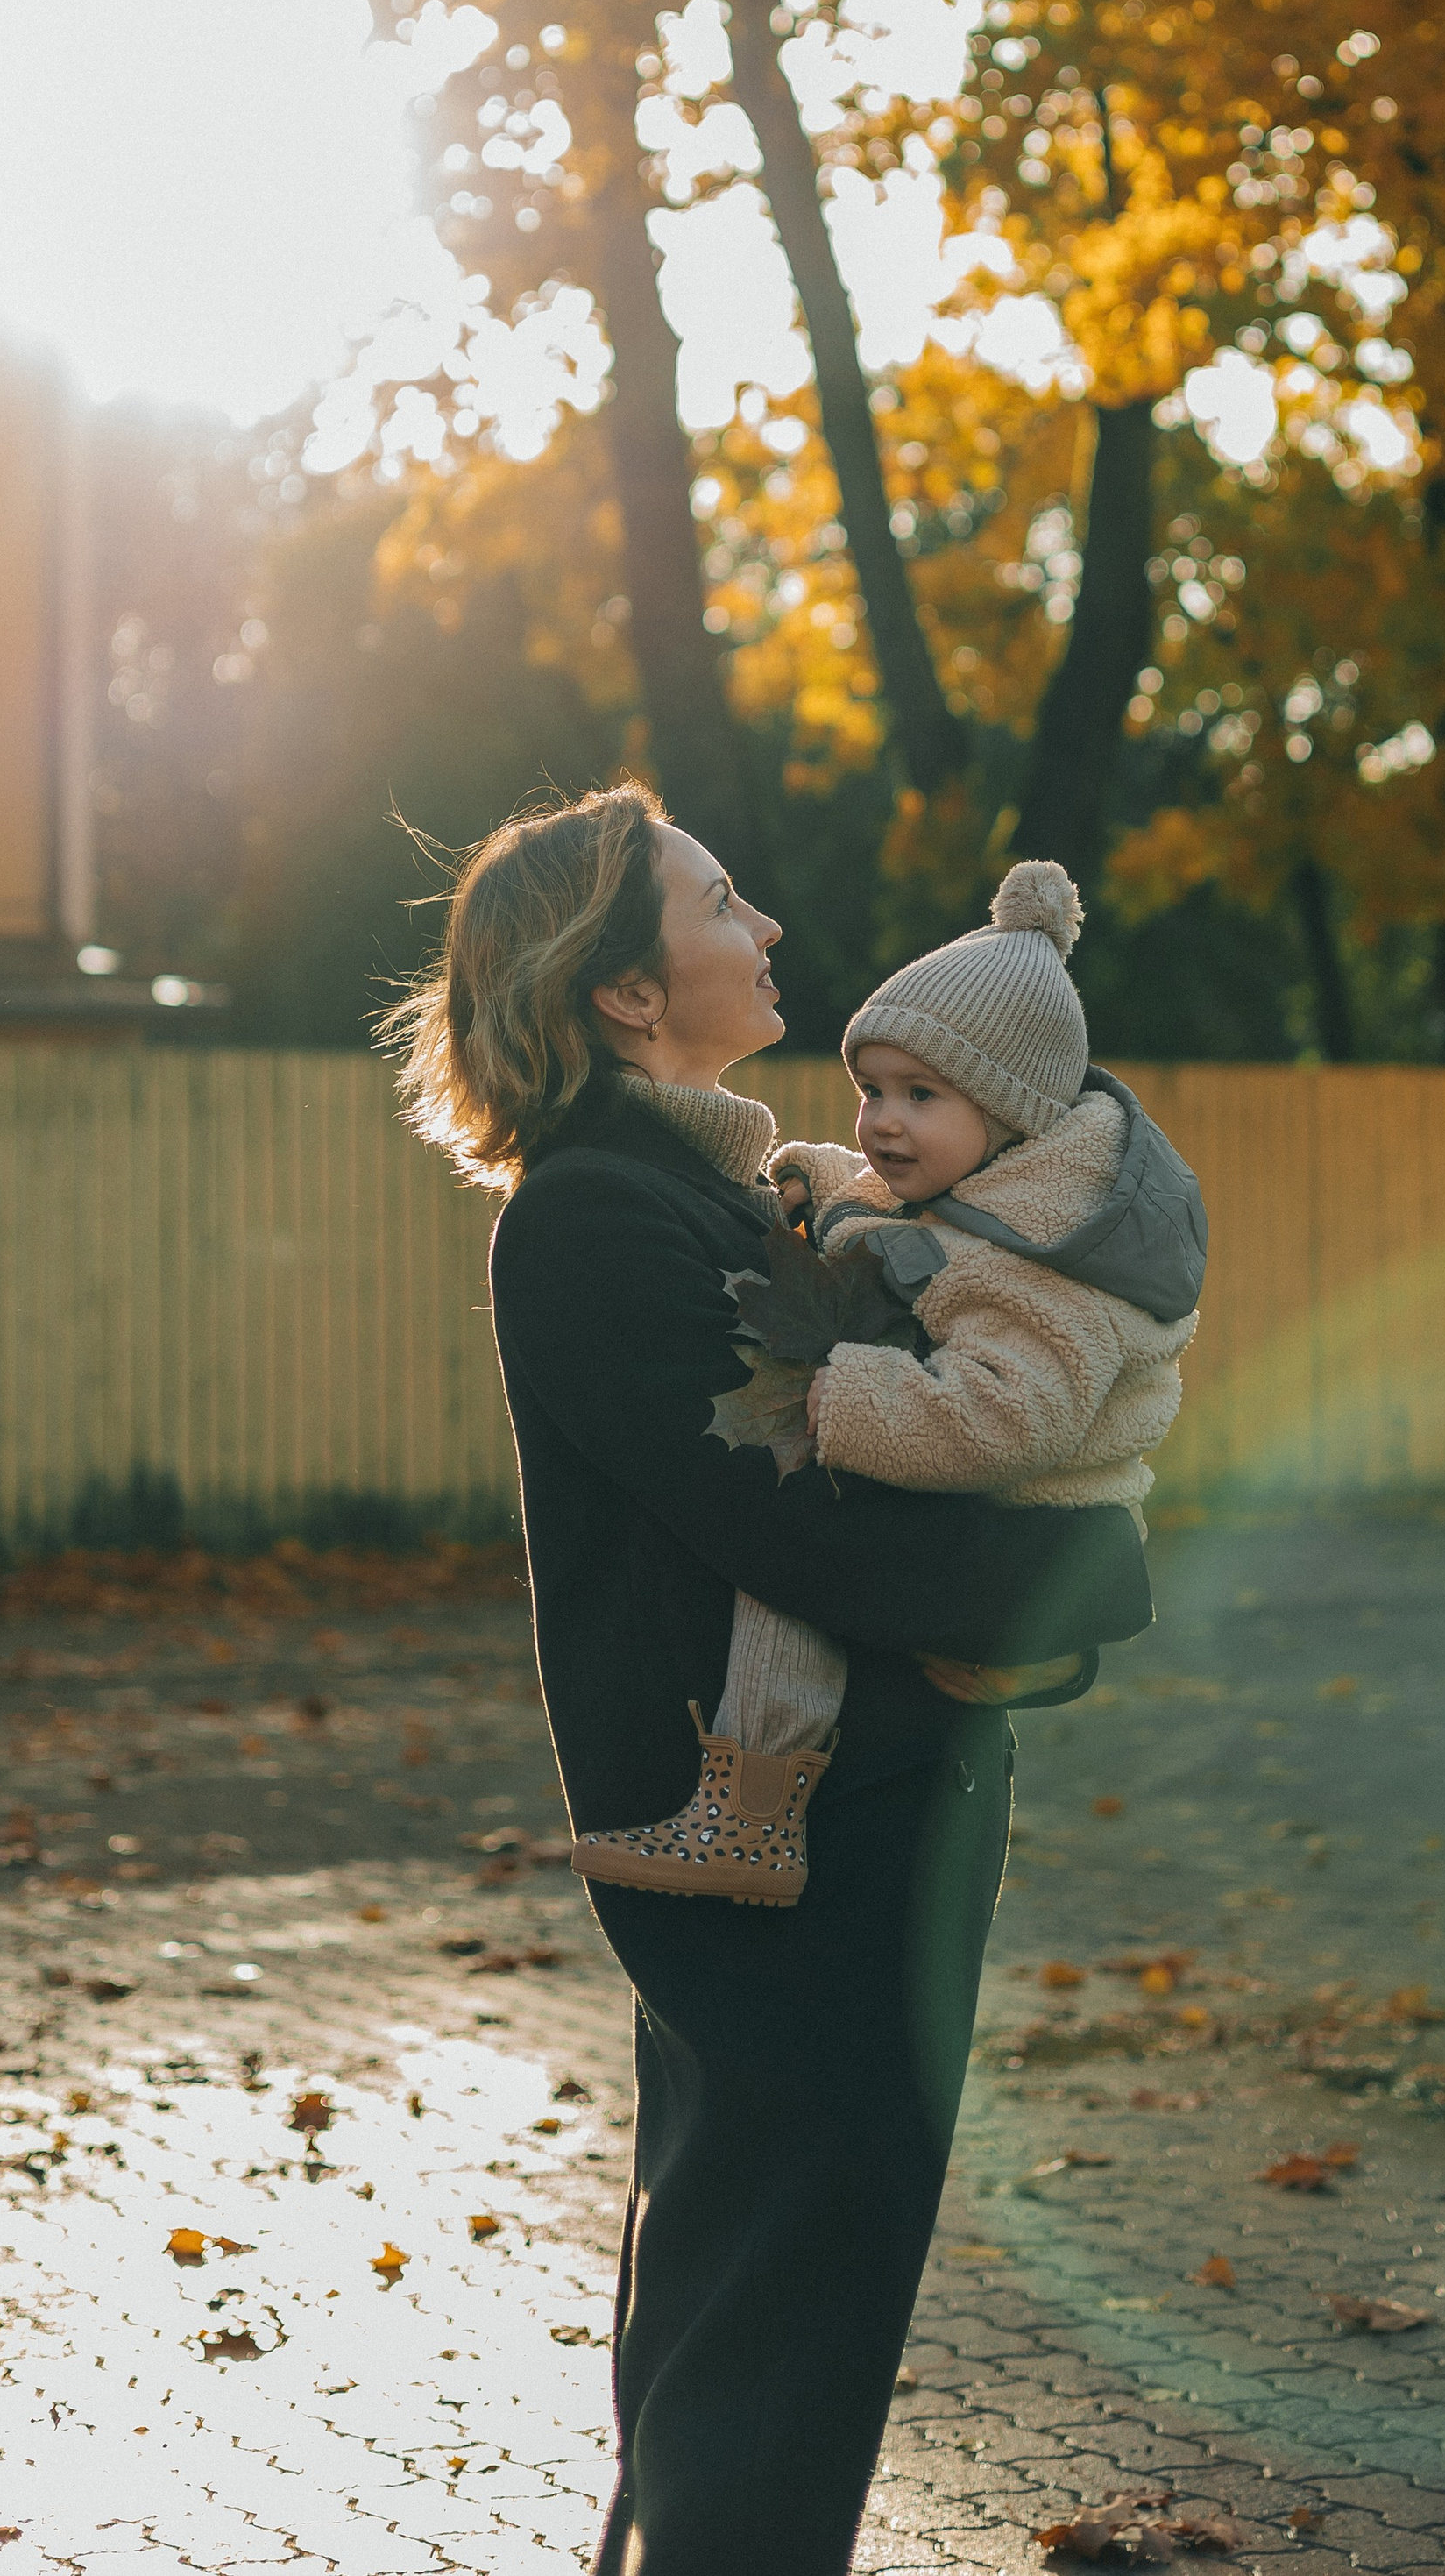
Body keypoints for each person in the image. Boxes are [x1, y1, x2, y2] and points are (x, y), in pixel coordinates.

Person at [387, 783, 1151, 2576]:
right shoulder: (595, 1216)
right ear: (626, 988)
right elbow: (793, 1515)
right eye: (721, 899)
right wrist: (1090, 1573)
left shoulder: (707, 1192)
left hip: (841, 1820)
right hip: (785, 1844)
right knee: (777, 2319)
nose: (768, 925)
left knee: (743, 2291)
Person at [570, 858, 1207, 1906]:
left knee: (787, 1588)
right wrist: (816, 1179)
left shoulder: (1040, 1259)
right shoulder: (983, 1181)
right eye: (871, 1090)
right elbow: (888, 1214)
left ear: (1007, 1113)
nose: (882, 1122)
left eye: (920, 1095)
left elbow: (1008, 1414)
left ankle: (753, 1810)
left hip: (1031, 1499)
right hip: (988, 1538)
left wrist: (840, 1393)